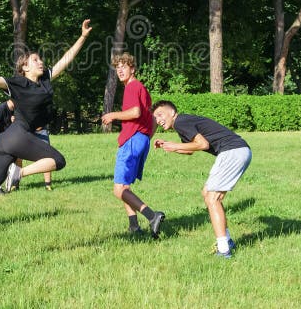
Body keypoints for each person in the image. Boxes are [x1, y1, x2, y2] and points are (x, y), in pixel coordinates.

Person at [0, 19, 92, 250]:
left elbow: (66, 59)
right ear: (24, 67)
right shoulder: (18, 82)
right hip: (18, 135)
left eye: (40, 59)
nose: (40, 62)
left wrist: (82, 37)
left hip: (8, 141)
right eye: (35, 60)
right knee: (58, 161)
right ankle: (19, 172)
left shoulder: (44, 81)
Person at [151, 100, 251, 259]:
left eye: (160, 114)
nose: (158, 120)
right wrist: (168, 145)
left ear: (171, 112)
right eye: (155, 118)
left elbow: (202, 144)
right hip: (236, 150)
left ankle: (224, 249)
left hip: (232, 151)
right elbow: (190, 149)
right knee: (208, 193)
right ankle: (227, 240)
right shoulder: (182, 123)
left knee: (212, 198)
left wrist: (175, 146)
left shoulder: (181, 122)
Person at [101, 53, 164, 238]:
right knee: (125, 186)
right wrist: (145, 138)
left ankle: (152, 216)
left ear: (132, 69)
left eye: (124, 66)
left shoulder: (132, 87)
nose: (120, 70)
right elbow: (152, 119)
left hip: (132, 140)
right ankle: (134, 226)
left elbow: (135, 112)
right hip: (141, 140)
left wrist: (113, 115)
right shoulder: (142, 89)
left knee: (118, 189)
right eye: (117, 67)